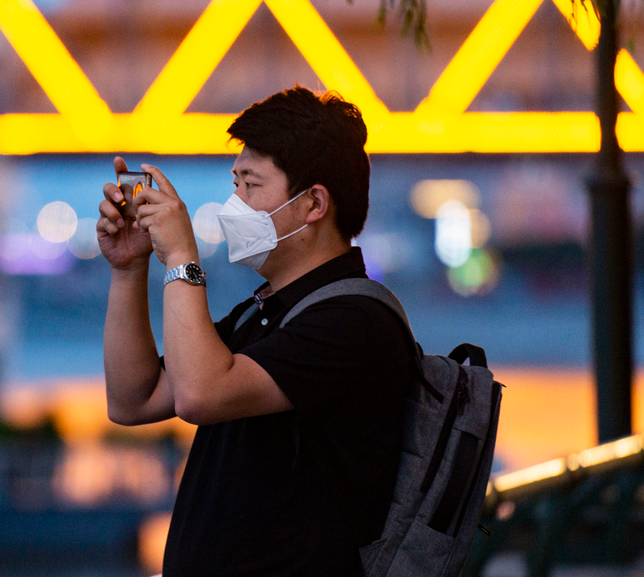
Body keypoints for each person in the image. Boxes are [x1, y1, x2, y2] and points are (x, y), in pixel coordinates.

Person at [96, 86, 413, 576]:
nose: (234, 203)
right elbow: (133, 399)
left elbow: (199, 396)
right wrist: (128, 269)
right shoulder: (266, 312)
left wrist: (182, 258)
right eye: (235, 182)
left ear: (313, 204)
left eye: (251, 185)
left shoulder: (354, 321)